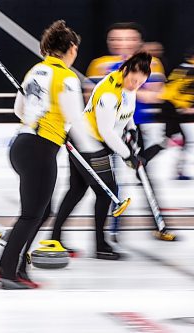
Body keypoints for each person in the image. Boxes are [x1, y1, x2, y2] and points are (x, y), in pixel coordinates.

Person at [0, 20, 101, 290]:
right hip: (40, 148)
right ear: (72, 48)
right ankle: (7, 271)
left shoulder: (35, 71)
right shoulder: (66, 77)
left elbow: (20, 110)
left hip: (23, 144)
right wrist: (94, 152)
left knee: (41, 211)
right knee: (32, 214)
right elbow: (75, 118)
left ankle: (15, 267)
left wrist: (47, 122)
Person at [48, 52, 153, 260]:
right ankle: (100, 245)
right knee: (107, 191)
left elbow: (126, 113)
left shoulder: (128, 85)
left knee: (77, 190)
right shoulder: (108, 92)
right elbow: (106, 131)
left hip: (92, 141)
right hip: (87, 142)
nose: (135, 86)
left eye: (141, 83)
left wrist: (131, 130)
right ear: (125, 70)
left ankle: (55, 238)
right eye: (133, 80)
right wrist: (128, 155)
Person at [85, 22, 166, 241]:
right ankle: (113, 226)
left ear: (138, 42)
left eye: (129, 39)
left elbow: (156, 95)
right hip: (108, 131)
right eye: (117, 39)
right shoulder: (100, 65)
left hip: (137, 128)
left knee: (144, 176)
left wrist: (129, 83)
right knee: (112, 181)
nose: (123, 44)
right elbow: (91, 98)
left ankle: (159, 225)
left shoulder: (152, 64)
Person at [140, 47, 194, 181]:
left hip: (168, 106)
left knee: (171, 140)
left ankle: (143, 161)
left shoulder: (183, 68)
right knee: (172, 140)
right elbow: (184, 90)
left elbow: (174, 87)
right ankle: (142, 161)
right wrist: (183, 105)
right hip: (171, 107)